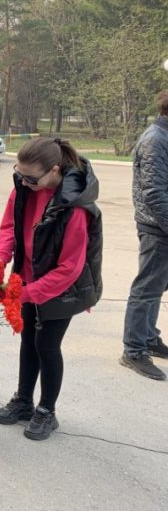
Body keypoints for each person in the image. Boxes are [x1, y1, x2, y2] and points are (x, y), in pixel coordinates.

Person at [0, 137, 102, 440]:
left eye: (31, 178)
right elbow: (9, 227)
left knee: (47, 346)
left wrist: (25, 294)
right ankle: (24, 400)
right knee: (28, 340)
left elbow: (70, 268)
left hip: (61, 289)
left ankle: (46, 411)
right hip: (29, 278)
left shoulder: (74, 207)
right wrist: (1, 259)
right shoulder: (25, 187)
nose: (24, 182)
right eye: (19, 174)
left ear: (54, 170)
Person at [121, 91, 168, 380]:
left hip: (163, 226)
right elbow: (154, 193)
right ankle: (134, 350)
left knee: (157, 286)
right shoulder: (155, 140)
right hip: (157, 228)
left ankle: (148, 338)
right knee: (147, 288)